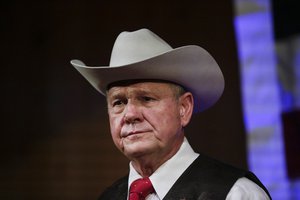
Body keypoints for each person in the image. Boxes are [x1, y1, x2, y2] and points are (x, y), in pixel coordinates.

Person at [71, 28, 271, 200]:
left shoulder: (236, 194)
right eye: (118, 102)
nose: (130, 114)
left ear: (184, 108)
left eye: (146, 98)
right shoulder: (108, 197)